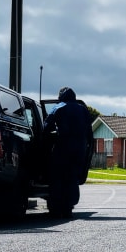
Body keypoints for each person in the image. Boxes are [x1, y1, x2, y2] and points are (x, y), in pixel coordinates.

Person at [42, 86, 92, 218]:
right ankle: (68, 207)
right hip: (80, 149)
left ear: (61, 97)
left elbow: (46, 127)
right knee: (72, 177)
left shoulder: (58, 107)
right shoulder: (83, 109)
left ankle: (56, 208)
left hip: (63, 148)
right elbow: (89, 132)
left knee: (58, 178)